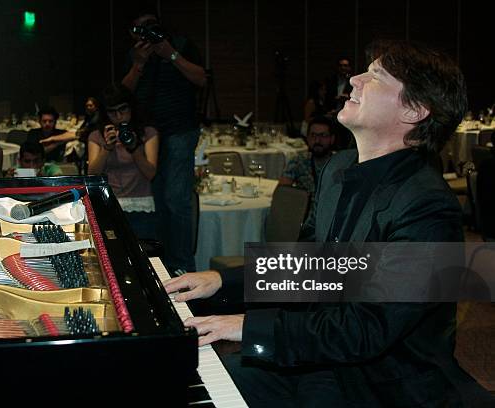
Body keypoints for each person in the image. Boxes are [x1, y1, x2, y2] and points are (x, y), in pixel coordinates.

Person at [163, 41, 486, 407]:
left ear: (414, 110)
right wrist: (223, 281)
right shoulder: (339, 168)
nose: (355, 79)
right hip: (323, 360)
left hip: (381, 385)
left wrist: (244, 326)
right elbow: (315, 265)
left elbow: (368, 327)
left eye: (376, 76)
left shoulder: (429, 207)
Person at [122, 10, 206, 274]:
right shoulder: (136, 55)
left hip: (180, 129)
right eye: (139, 29)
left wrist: (169, 53)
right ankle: (163, 267)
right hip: (150, 133)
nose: (146, 32)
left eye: (151, 26)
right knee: (158, 200)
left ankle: (183, 267)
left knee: (175, 198)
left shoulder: (180, 45)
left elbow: (201, 79)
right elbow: (123, 93)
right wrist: (139, 63)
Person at [87, 83, 159, 240]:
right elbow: (92, 174)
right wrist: (107, 148)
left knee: (145, 258)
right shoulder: (97, 136)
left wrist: (134, 148)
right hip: (109, 206)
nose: (119, 117)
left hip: (141, 207)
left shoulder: (147, 133)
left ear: (131, 108)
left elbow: (150, 173)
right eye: (112, 112)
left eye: (123, 109)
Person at [279, 115, 336, 217]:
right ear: (307, 138)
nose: (317, 141)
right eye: (313, 135)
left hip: (332, 217)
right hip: (303, 218)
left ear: (332, 139)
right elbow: (282, 193)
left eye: (323, 135)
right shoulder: (299, 161)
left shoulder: (340, 163)